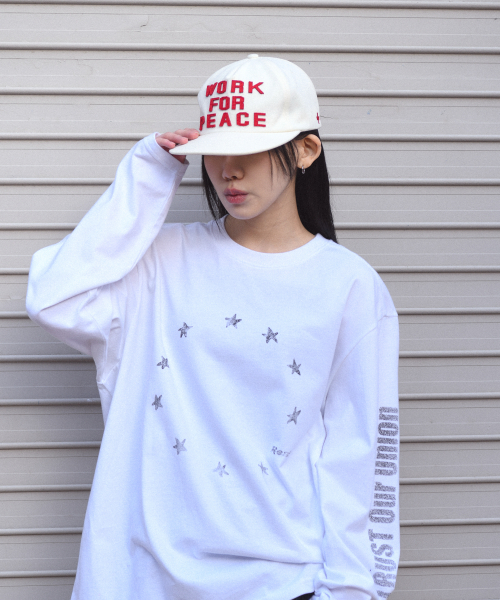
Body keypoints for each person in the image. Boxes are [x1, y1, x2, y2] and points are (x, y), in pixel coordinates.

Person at [26, 55, 400, 600]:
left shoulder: (350, 286)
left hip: (281, 582)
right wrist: (148, 172)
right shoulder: (157, 263)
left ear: (305, 150)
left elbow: (358, 452)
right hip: (141, 580)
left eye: (250, 148)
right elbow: (53, 299)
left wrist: (352, 590)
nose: (228, 169)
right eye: (215, 150)